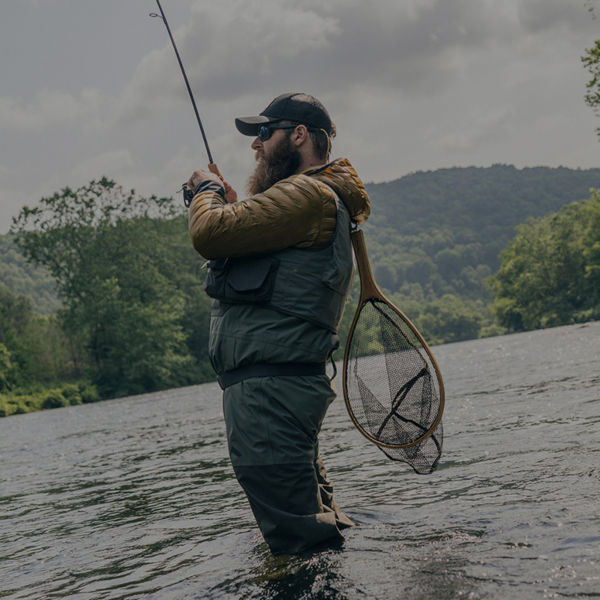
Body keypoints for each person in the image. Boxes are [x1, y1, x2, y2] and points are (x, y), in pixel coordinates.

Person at [187, 92, 370, 555]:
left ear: (300, 135)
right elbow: (248, 239)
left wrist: (206, 192)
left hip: (270, 398)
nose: (257, 145)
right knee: (314, 528)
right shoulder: (309, 200)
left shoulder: (307, 193)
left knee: (298, 547)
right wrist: (231, 207)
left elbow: (208, 233)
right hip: (280, 391)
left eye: (265, 133)